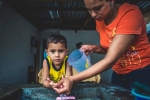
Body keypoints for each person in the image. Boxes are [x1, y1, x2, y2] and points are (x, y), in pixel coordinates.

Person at [51, 0, 150, 94]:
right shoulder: (100, 20)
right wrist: (95, 48)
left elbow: (110, 59)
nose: (93, 14)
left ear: (111, 0)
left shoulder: (130, 15)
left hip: (141, 72)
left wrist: (72, 79)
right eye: (89, 9)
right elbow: (110, 48)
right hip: (118, 73)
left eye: (97, 8)